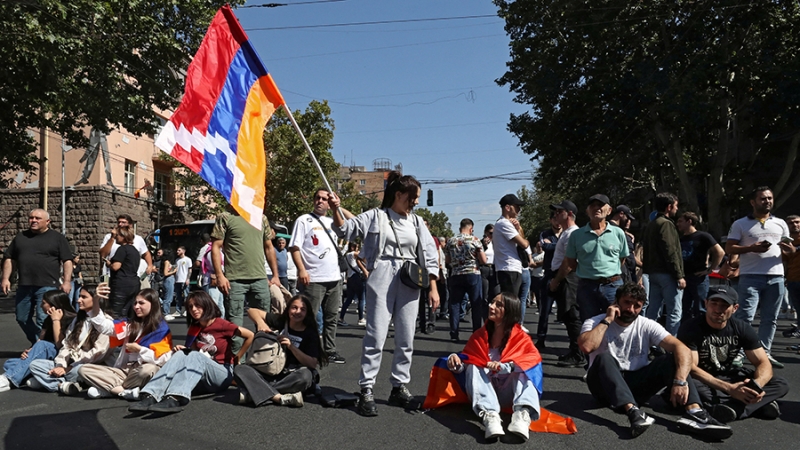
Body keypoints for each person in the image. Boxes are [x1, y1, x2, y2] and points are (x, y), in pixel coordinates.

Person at [331, 170, 439, 417]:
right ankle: (367, 388)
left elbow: (430, 256)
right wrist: (336, 209)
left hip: (410, 277)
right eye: (413, 197)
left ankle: (399, 386)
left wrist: (433, 288)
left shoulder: (417, 222)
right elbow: (346, 230)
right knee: (376, 333)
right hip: (381, 274)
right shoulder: (376, 216)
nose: (417, 202)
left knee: (406, 335)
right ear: (399, 194)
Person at [579, 283, 732, 439]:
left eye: (637, 306)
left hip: (635, 385)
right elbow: (586, 346)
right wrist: (608, 320)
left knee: (671, 358)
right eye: (626, 303)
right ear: (616, 302)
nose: (631, 309)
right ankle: (633, 412)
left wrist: (680, 381)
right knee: (603, 357)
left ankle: (696, 413)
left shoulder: (646, 325)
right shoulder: (595, 322)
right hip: (603, 387)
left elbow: (682, 348)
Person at [128, 290, 254, 415]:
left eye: (198, 305)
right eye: (190, 306)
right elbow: (192, 354)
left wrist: (238, 357)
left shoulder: (221, 324)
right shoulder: (194, 328)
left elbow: (250, 335)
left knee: (194, 355)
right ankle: (150, 395)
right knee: (181, 354)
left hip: (221, 373)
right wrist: (182, 350)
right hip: (201, 375)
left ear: (206, 305)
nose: (194, 309)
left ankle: (175, 398)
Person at [677, 286, 789, 422]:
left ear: (735, 308)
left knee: (780, 383)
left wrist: (756, 386)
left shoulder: (741, 328)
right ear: (706, 303)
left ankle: (734, 408)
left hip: (731, 376)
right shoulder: (691, 327)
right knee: (692, 388)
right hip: (704, 380)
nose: (718, 310)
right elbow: (692, 369)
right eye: (714, 304)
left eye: (724, 305)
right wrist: (730, 389)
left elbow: (762, 362)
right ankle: (756, 404)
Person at [445, 293, 541, 441]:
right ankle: (491, 417)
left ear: (509, 311)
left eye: (498, 305)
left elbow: (533, 362)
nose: (491, 306)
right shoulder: (479, 335)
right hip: (484, 392)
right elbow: (467, 362)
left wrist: (507, 367)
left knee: (527, 370)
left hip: (510, 393)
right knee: (474, 366)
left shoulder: (522, 338)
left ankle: (522, 415)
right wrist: (456, 362)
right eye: (492, 302)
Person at [725, 186, 794, 368]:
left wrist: (791, 252)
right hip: (750, 277)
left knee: (770, 318)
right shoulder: (741, 224)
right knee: (745, 317)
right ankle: (739, 353)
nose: (768, 201)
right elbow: (729, 248)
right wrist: (751, 248)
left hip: (776, 276)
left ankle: (765, 353)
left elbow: (788, 252)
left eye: (770, 198)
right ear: (753, 202)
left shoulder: (780, 223)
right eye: (763, 199)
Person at [79, 288, 173, 400]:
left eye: (141, 303)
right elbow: (103, 326)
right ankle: (122, 391)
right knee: (83, 369)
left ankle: (109, 388)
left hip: (141, 371)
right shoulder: (129, 324)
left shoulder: (162, 329)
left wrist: (140, 350)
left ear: (153, 305)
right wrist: (96, 301)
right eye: (135, 303)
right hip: (124, 371)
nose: (136, 306)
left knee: (148, 370)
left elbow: (164, 359)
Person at [237, 295, 328, 407]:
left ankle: (255, 392)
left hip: (291, 375)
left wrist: (291, 347)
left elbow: (312, 363)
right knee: (240, 369)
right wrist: (261, 323)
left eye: (302, 309)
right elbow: (251, 311)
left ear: (307, 313)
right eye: (294, 307)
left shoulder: (310, 333)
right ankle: (278, 397)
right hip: (269, 370)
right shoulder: (281, 321)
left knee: (305, 377)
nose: (297, 312)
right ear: (288, 308)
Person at [289, 188, 347, 364]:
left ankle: (329, 350)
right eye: (318, 198)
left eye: (324, 199)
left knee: (331, 317)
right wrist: (301, 269)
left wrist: (338, 207)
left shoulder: (332, 221)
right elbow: (295, 247)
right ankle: (308, 350)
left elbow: (351, 223)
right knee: (309, 317)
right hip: (313, 278)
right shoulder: (303, 220)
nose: (320, 201)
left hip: (334, 278)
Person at [212, 205, 279, 353]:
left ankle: (263, 361)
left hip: (260, 279)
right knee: (235, 328)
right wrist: (220, 275)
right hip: (234, 281)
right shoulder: (225, 217)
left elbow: (269, 247)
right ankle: (237, 364)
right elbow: (216, 246)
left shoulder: (261, 218)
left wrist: (275, 275)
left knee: (264, 324)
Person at [2, 209, 73, 345]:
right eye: (31, 218)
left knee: (43, 319)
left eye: (37, 218)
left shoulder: (57, 238)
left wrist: (67, 281)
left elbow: (67, 260)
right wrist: (5, 278)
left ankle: (44, 347)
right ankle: (39, 343)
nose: (33, 220)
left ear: (47, 222)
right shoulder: (21, 237)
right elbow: (9, 258)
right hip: (24, 285)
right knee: (21, 317)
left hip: (47, 285)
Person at [28, 285, 113, 394]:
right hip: (70, 363)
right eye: (79, 296)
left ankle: (51, 381)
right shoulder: (78, 320)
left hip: (90, 365)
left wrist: (69, 367)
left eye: (83, 297)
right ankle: (62, 384)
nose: (78, 300)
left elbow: (97, 354)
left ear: (96, 300)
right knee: (35, 365)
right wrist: (61, 365)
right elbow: (66, 345)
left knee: (80, 370)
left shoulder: (107, 323)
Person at [557, 194, 629, 323]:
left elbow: (621, 259)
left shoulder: (618, 233)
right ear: (587, 211)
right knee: (589, 325)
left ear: (609, 210)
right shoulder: (576, 235)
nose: (597, 208)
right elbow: (571, 262)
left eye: (601, 205)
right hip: (587, 287)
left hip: (613, 286)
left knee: (617, 324)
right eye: (593, 205)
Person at [0, 290, 76, 392]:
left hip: (64, 356)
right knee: (9, 363)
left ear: (54, 304)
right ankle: (38, 377)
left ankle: (8, 379)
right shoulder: (48, 319)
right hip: (48, 355)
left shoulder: (71, 319)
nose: (40, 306)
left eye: (44, 303)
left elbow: (60, 345)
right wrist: (31, 351)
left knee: (44, 345)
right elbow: (40, 339)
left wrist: (56, 320)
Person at [546, 200, 584, 367]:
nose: (555, 214)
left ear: (569, 214)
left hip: (569, 278)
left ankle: (578, 353)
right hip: (565, 277)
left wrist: (556, 280)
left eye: (559, 211)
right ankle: (575, 350)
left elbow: (569, 262)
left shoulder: (572, 233)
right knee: (569, 316)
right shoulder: (567, 233)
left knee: (572, 315)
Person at [643, 192, 686, 335]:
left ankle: (649, 341)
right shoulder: (666, 224)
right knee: (674, 311)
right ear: (669, 207)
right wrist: (679, 275)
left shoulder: (652, 223)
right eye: (675, 206)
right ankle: (672, 345)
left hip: (653, 273)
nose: (676, 209)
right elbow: (670, 250)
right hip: (667, 274)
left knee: (653, 310)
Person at [676, 212, 725, 321]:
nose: (677, 224)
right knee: (684, 309)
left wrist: (710, 269)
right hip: (684, 277)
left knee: (700, 307)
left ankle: (702, 334)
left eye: (680, 221)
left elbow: (720, 252)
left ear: (689, 222)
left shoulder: (703, 236)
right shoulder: (681, 239)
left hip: (698, 277)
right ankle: (686, 334)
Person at [445, 218, 487, 342]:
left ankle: (454, 333)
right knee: (476, 304)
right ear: (471, 228)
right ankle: (476, 333)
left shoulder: (451, 241)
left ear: (460, 227)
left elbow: (447, 261)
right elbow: (483, 260)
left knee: (455, 304)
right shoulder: (474, 240)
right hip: (472, 273)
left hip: (456, 274)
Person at [98, 214, 153, 287]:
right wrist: (112, 238)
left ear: (130, 225)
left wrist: (150, 265)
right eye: (119, 222)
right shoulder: (109, 237)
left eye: (123, 222)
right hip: (111, 276)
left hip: (132, 276)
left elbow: (146, 253)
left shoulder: (138, 239)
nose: (120, 224)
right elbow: (103, 254)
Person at [493, 194, 529, 295]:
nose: (519, 210)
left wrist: (518, 228)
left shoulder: (502, 223)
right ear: (508, 207)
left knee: (511, 301)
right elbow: (524, 244)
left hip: (508, 267)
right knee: (511, 303)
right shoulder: (504, 223)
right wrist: (521, 232)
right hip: (509, 267)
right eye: (516, 206)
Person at [535, 214, 562, 350]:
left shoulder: (568, 233)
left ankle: (574, 344)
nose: (558, 222)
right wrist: (561, 246)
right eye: (555, 219)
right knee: (545, 310)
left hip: (564, 275)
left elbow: (570, 248)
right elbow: (545, 247)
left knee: (568, 311)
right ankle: (541, 338)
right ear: (551, 220)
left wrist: (553, 245)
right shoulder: (545, 233)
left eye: (559, 219)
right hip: (549, 274)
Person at [106, 225, 142, 318]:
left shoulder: (122, 249)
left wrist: (109, 264)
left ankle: (117, 331)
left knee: (115, 313)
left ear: (123, 236)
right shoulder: (135, 251)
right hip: (134, 284)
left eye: (117, 235)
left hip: (121, 285)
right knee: (128, 313)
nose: (116, 237)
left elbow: (115, 267)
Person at [340, 242, 368, 327]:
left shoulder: (346, 255)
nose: (358, 249)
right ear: (352, 247)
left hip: (350, 278)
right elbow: (363, 257)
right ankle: (361, 318)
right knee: (361, 298)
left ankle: (341, 318)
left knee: (348, 299)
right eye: (356, 247)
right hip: (357, 277)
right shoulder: (353, 254)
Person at [609, 205, 638, 284]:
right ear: (621, 214)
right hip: (622, 272)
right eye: (627, 218)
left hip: (627, 272)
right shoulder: (611, 230)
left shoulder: (620, 231)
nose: (629, 222)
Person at [782, 214, 800, 338]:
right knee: (798, 309)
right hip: (793, 279)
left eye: (797, 222)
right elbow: (784, 261)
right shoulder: (785, 242)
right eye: (791, 223)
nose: (794, 225)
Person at [166, 246, 192, 319]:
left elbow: (190, 270)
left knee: (187, 296)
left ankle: (188, 310)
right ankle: (178, 310)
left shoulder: (188, 259)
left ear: (183, 251)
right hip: (177, 280)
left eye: (179, 250)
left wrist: (188, 279)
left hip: (184, 280)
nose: (177, 251)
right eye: (177, 250)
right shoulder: (177, 260)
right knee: (178, 296)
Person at [159, 249, 177, 319]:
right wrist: (174, 271)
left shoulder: (167, 262)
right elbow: (165, 273)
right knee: (168, 297)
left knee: (169, 296)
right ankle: (166, 312)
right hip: (169, 279)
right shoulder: (167, 262)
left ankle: (166, 311)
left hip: (170, 279)